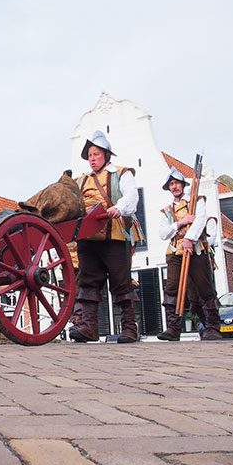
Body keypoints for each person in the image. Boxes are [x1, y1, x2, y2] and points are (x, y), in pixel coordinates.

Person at [69, 130, 140, 343]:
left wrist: (118, 207)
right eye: (90, 155)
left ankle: (129, 329)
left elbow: (131, 197)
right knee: (88, 282)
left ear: (106, 155)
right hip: (88, 238)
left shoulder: (121, 173)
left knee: (121, 283)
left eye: (96, 154)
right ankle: (89, 327)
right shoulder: (81, 181)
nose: (92, 159)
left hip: (114, 235)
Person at [157, 168, 222, 341]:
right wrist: (180, 223)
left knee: (204, 287)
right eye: (171, 184)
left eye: (176, 183)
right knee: (171, 289)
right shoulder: (166, 211)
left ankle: (212, 326)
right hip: (175, 251)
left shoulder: (196, 201)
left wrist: (190, 239)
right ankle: (173, 327)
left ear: (183, 185)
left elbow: (200, 221)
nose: (174, 186)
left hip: (196, 249)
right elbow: (163, 233)